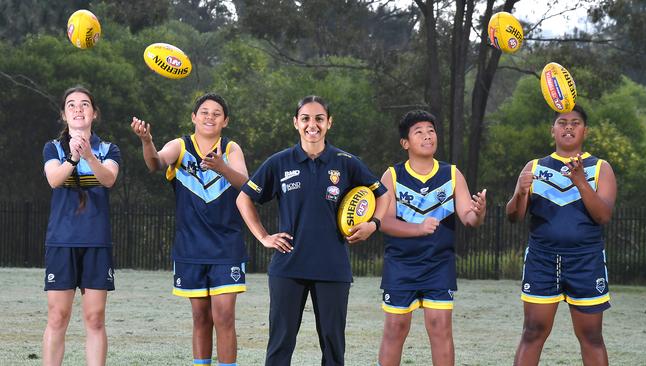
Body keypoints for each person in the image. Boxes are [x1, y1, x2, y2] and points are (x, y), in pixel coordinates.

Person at [236, 95, 389, 366]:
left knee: (333, 345)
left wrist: (373, 224)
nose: (312, 125)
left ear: (329, 122)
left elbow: (383, 195)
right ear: (296, 122)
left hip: (332, 267)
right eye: (305, 118)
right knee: (280, 344)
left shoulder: (346, 162)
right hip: (289, 266)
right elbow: (244, 197)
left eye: (319, 118)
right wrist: (264, 237)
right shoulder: (279, 162)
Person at [130, 93, 248, 366]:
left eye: (217, 113)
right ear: (194, 117)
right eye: (204, 112)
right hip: (190, 248)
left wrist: (221, 167)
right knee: (201, 318)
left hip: (226, 247)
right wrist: (147, 141)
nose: (210, 116)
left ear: (225, 121)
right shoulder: (181, 146)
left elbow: (245, 184)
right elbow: (155, 164)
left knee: (224, 316)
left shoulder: (230, 149)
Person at [507, 105, 617, 366]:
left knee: (591, 336)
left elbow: (604, 216)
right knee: (532, 332)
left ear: (585, 131)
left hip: (586, 261)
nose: (568, 127)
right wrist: (520, 193)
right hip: (542, 260)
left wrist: (580, 181)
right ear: (552, 130)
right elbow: (514, 216)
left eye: (575, 123)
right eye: (562, 122)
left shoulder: (601, 168)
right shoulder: (534, 167)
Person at [376, 110, 487, 366]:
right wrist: (418, 229)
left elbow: (469, 219)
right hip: (401, 265)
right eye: (419, 132)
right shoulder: (391, 176)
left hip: (439, 264)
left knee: (440, 329)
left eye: (431, 130)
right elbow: (384, 222)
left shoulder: (452, 174)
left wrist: (479, 212)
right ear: (405, 143)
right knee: (395, 328)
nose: (427, 136)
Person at [42, 86, 121, 366]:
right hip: (61, 242)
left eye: (85, 104)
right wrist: (74, 157)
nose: (78, 109)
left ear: (94, 113)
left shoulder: (108, 149)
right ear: (64, 114)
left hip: (96, 242)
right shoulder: (52, 147)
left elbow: (108, 178)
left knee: (95, 319)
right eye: (72, 105)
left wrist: (88, 155)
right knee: (57, 317)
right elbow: (54, 179)